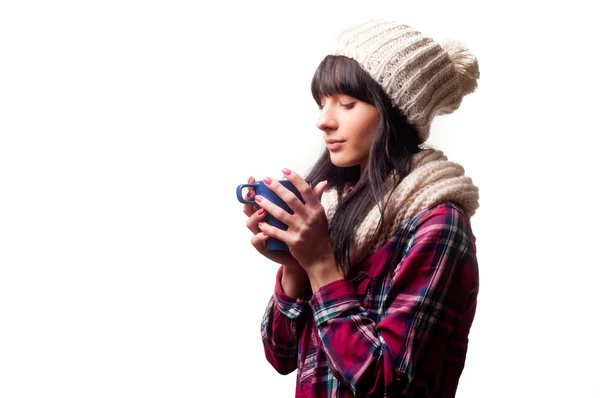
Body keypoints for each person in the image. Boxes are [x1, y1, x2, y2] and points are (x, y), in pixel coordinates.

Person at [241, 19, 480, 397]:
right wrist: (294, 262)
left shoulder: (438, 224)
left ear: (395, 112)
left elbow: (389, 385)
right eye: (322, 103)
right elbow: (281, 355)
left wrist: (320, 264)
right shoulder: (335, 210)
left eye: (346, 104)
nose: (324, 120)